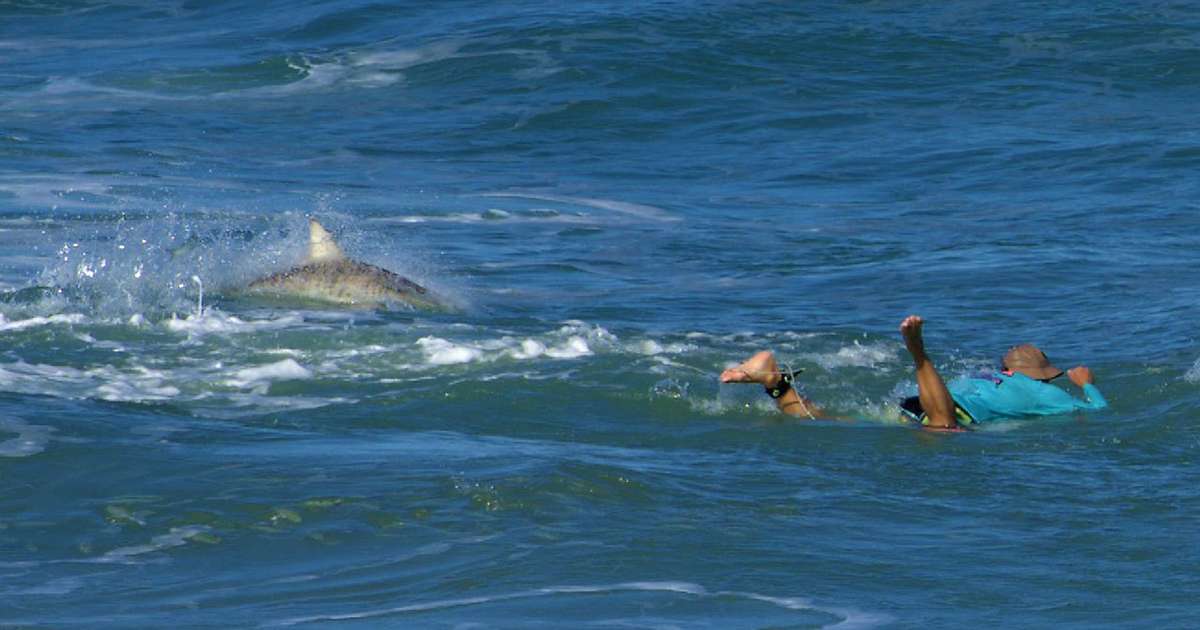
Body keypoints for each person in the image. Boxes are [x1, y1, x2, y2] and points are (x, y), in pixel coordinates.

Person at [719, 315, 1107, 430]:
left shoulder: (984, 376)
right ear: (1045, 374)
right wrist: (1087, 386)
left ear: (1004, 368)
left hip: (912, 404)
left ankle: (775, 383)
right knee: (944, 433)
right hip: (946, 410)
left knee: (824, 418)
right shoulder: (1047, 394)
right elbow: (1098, 412)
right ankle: (918, 352)